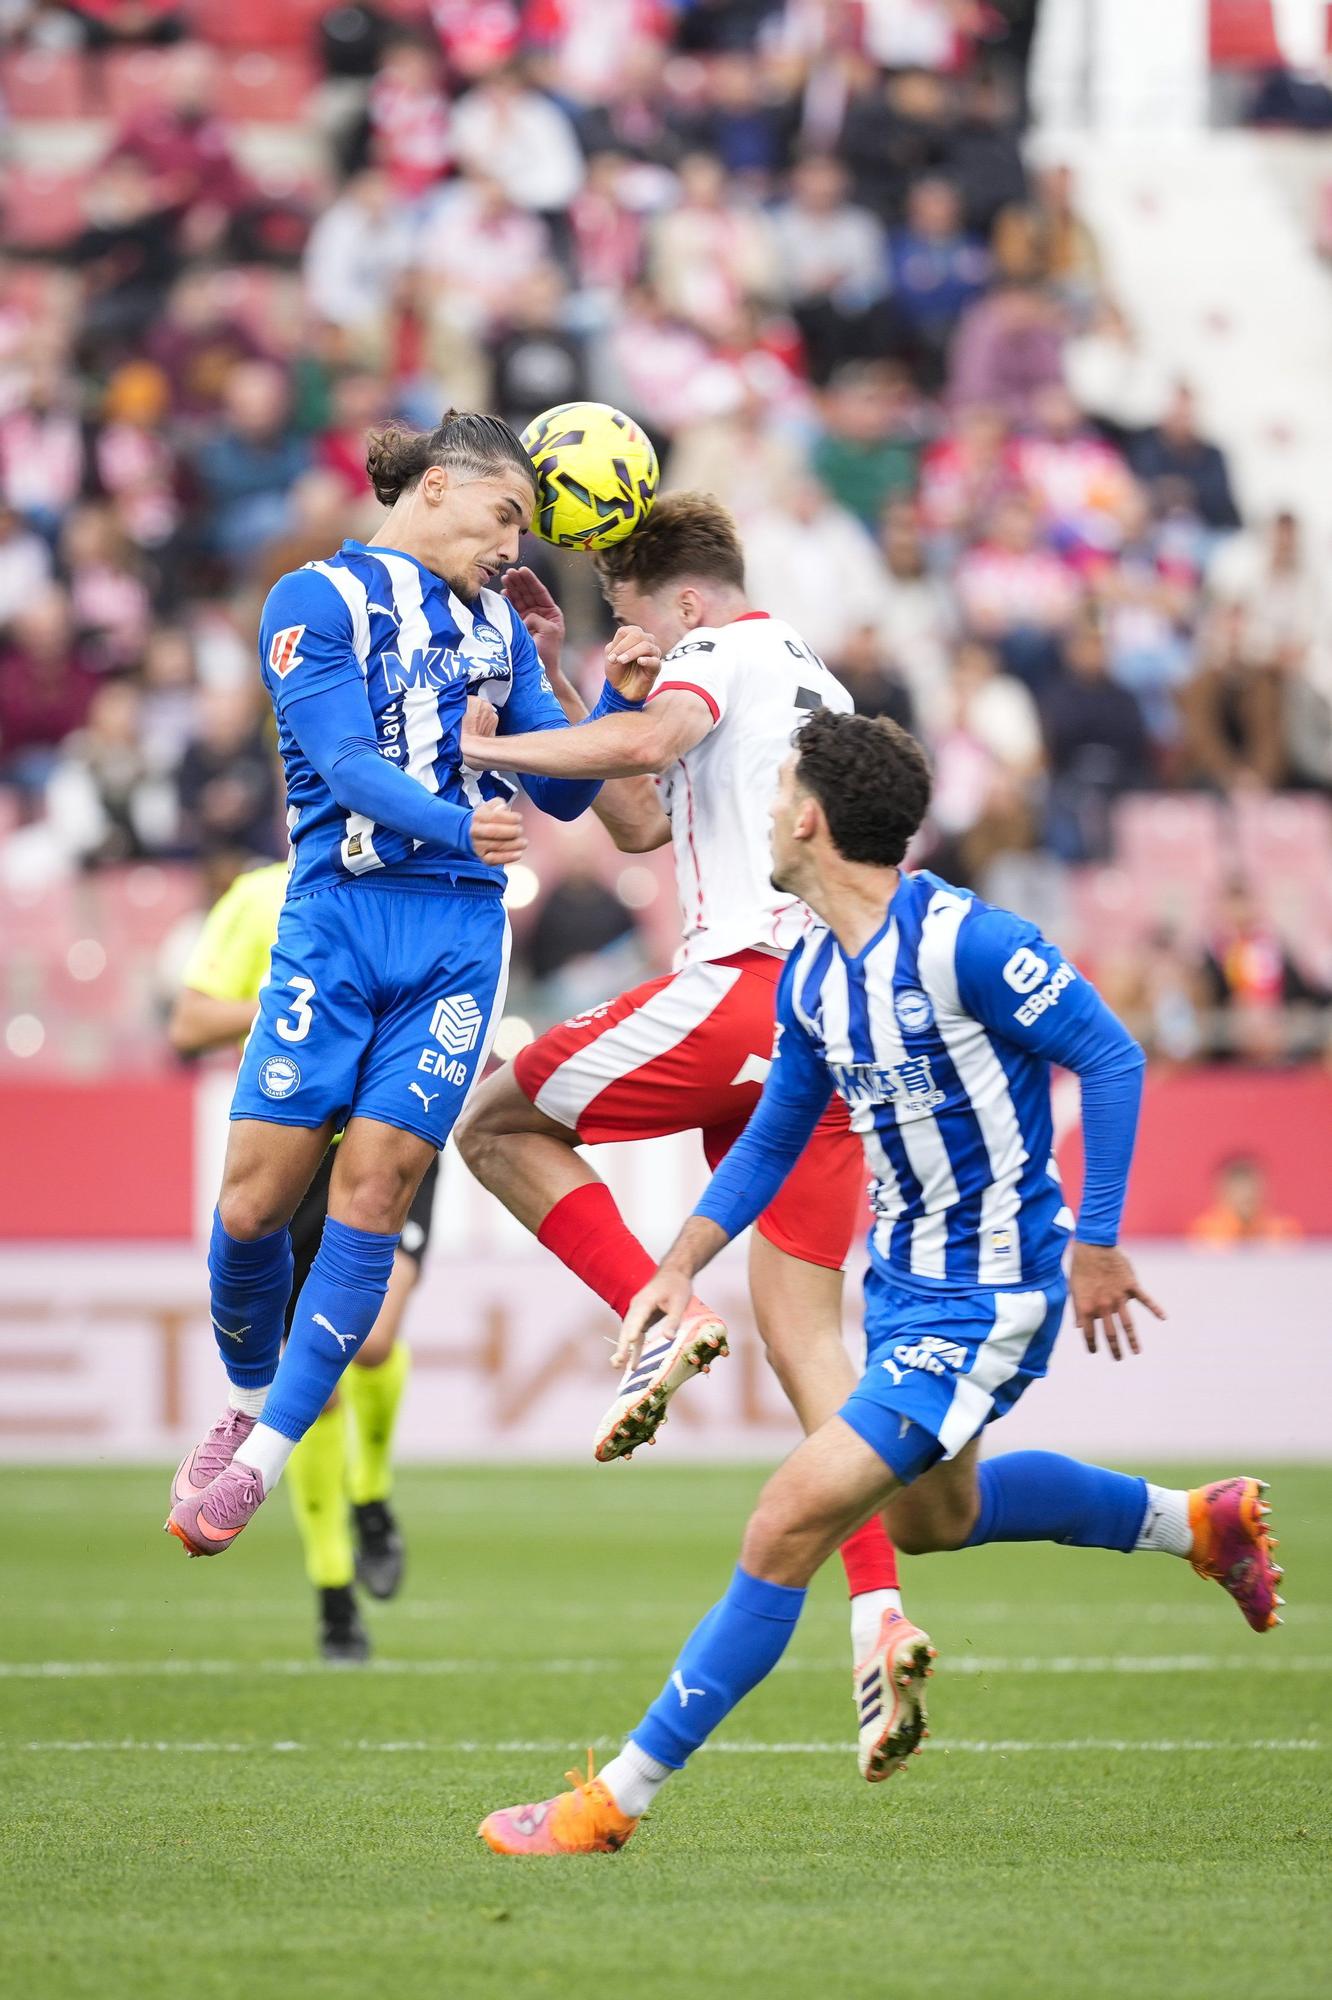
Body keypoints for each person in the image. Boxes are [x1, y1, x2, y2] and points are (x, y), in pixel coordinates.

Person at [476, 710, 1282, 1856]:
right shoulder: (812, 971)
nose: (761, 808)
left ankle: (610, 1803)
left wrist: (1095, 1238)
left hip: (991, 1295)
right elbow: (770, 1141)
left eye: (774, 789)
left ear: (808, 818)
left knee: (785, 1518)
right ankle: (1196, 1524)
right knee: (934, 1516)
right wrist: (678, 1263)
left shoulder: (970, 943)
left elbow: (1110, 1051)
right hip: (903, 1288)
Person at [164, 408, 662, 1559]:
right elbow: (341, 762)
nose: (515, 547)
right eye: (507, 516)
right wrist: (460, 819)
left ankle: (264, 1460)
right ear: (435, 487)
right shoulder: (314, 601)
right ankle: (246, 1400)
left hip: (453, 942)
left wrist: (590, 687)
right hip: (335, 924)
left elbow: (580, 796)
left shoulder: (496, 625)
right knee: (249, 1208)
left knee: (378, 1190)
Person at [455, 494, 906, 1701]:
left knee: (492, 1122)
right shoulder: (810, 674)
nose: (645, 638)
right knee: (812, 1340)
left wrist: (488, 746)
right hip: (827, 1019)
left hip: (741, 988)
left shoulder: (718, 647)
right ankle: (881, 1611)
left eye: (641, 614)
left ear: (688, 601)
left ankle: (661, 1315)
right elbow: (646, 820)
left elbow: (652, 750)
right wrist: (595, 684)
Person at [169, 857, 445, 1660]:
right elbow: (188, 1023)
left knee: (380, 1337)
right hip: (295, 1142)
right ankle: (334, 1596)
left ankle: (373, 1496)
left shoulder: (424, 882)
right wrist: (303, 1000)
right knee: (311, 1392)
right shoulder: (262, 896)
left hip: (397, 1124)